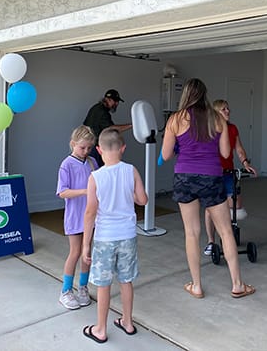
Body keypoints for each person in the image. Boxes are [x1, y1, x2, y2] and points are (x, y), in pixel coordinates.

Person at [161, 78, 255, 299]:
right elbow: (224, 154)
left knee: (192, 233)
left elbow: (166, 155)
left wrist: (180, 146)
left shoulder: (175, 119)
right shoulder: (217, 118)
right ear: (205, 95)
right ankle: (237, 285)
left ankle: (196, 286)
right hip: (211, 177)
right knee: (225, 231)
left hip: (184, 177)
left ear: (185, 94)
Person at [81, 128, 148, 343]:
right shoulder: (131, 170)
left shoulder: (95, 177)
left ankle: (100, 329)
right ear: (123, 148)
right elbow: (143, 200)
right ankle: (127, 322)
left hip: (105, 237)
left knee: (103, 284)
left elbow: (90, 213)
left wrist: (85, 246)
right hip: (128, 234)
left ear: (99, 150)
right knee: (126, 280)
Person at [203, 99, 257, 256]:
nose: (228, 111)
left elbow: (239, 148)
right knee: (210, 209)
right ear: (215, 113)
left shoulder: (232, 128)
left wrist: (245, 162)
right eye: (223, 109)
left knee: (237, 206)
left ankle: (227, 232)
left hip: (228, 173)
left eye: (228, 108)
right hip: (212, 174)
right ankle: (211, 242)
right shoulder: (209, 130)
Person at [56, 125, 98, 310]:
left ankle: (83, 287)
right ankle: (66, 291)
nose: (85, 151)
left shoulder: (92, 163)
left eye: (89, 148)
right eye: (82, 147)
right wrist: (84, 191)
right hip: (74, 216)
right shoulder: (66, 164)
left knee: (86, 254)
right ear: (73, 144)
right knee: (75, 252)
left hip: (91, 216)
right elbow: (62, 192)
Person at [83, 89, 132, 167]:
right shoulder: (102, 112)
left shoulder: (96, 108)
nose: (116, 104)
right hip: (95, 148)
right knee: (98, 172)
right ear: (108, 99)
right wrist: (131, 126)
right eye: (115, 101)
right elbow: (111, 129)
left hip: (88, 145)